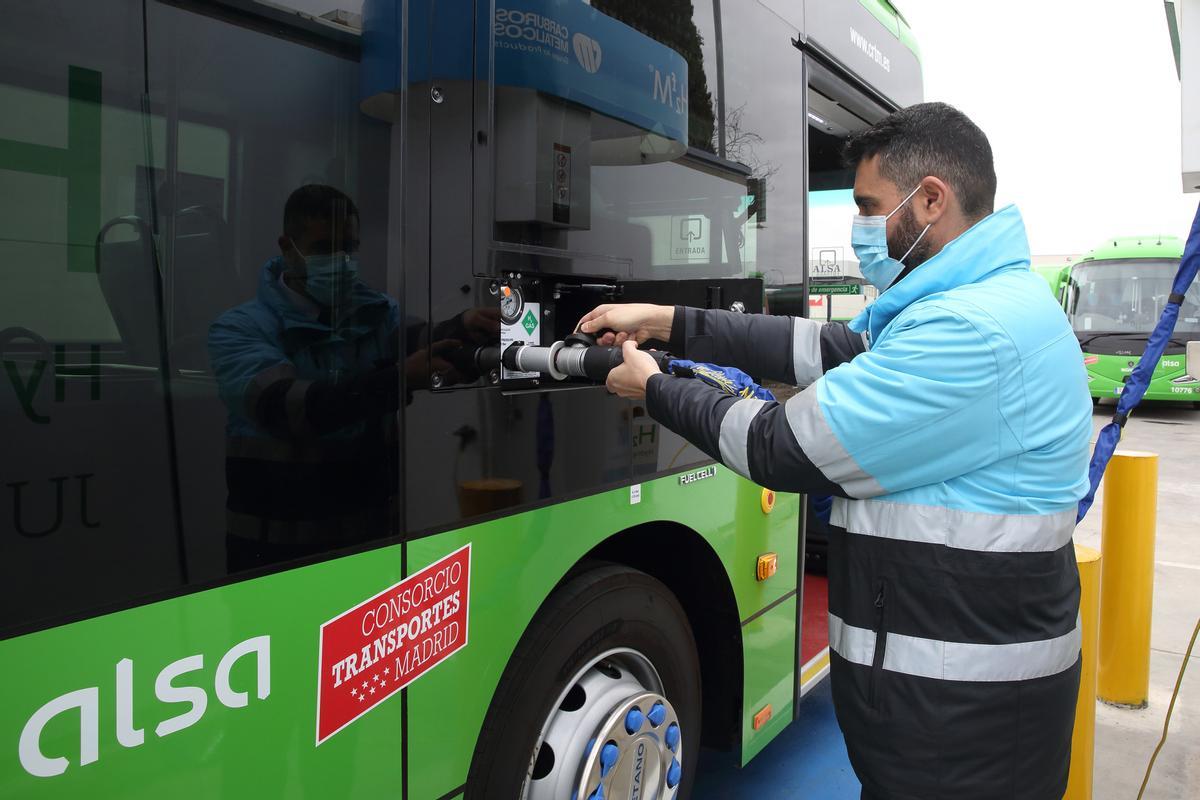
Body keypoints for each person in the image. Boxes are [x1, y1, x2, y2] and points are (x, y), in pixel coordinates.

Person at [582, 102, 1092, 799]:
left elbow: (778, 447)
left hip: (964, 730)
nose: (859, 231)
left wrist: (656, 387)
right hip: (959, 708)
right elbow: (823, 347)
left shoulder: (971, 334)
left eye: (867, 206)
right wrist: (670, 322)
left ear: (932, 200)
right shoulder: (976, 305)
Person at [209, 185, 489, 572]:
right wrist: (399, 379)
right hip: (274, 559)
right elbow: (292, 408)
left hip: (372, 547)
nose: (340, 260)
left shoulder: (373, 312)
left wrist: (463, 326)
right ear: (288, 247)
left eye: (350, 248)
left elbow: (414, 339)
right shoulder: (240, 329)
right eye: (325, 248)